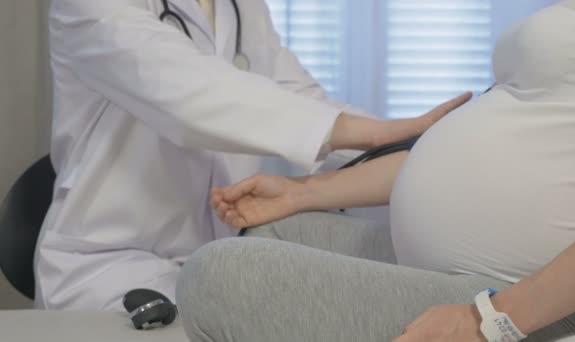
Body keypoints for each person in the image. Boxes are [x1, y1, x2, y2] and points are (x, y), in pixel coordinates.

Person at [176, 0, 575, 341]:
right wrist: (300, 192)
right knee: (275, 230)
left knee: (218, 277)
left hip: (532, 297)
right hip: (485, 276)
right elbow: (469, 151)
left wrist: (491, 321)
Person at [35, 0, 471, 310]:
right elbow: (191, 95)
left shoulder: (240, 7)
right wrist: (379, 133)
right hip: (105, 266)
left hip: (217, 257)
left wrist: (415, 153)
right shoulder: (86, 5)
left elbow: (298, 97)